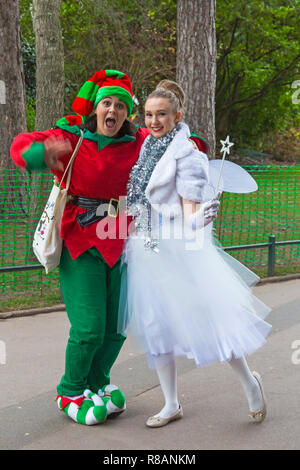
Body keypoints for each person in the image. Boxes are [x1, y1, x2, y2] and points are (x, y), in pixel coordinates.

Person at [10, 70, 217, 426]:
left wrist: (192, 148)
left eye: (120, 105)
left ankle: (97, 383)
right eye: (107, 102)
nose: (113, 110)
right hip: (82, 242)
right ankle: (71, 389)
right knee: (89, 326)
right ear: (95, 106)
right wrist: (44, 152)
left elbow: (185, 142)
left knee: (116, 326)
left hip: (125, 243)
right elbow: (21, 150)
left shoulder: (138, 140)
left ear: (127, 113)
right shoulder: (72, 137)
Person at [119, 80, 272, 428]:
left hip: (179, 248)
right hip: (147, 249)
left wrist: (195, 218)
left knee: (209, 319)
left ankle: (250, 383)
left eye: (161, 115)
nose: (154, 121)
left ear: (177, 115)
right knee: (157, 326)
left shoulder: (187, 155)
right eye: (148, 115)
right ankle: (171, 403)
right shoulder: (146, 149)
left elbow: (189, 204)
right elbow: (140, 198)